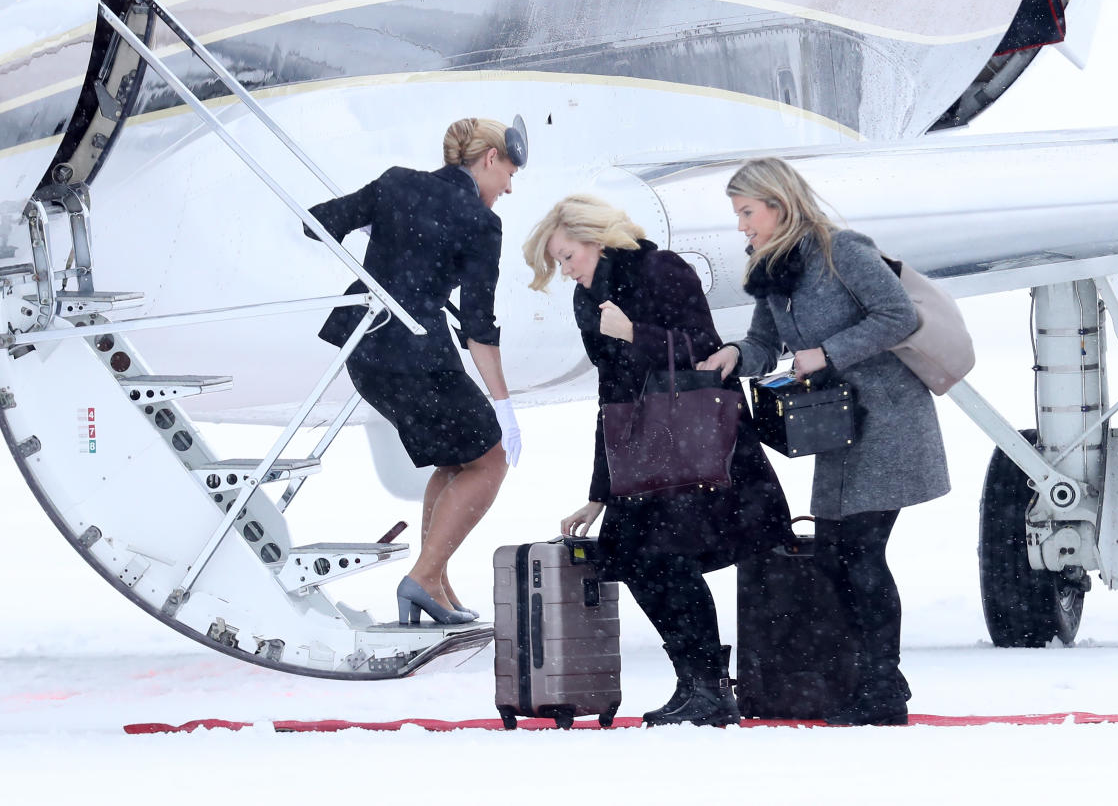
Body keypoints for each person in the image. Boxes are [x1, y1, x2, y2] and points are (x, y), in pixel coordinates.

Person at [698, 157, 950, 726]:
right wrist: (737, 355)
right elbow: (765, 345)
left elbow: (899, 315)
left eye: (746, 212)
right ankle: (879, 677)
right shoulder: (772, 270)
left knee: (860, 554)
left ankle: (883, 690)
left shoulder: (842, 252)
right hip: (837, 428)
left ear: (778, 206)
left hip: (888, 419)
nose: (741, 225)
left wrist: (828, 353)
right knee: (837, 557)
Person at [523, 194, 793, 727]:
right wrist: (599, 491)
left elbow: (705, 350)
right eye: (558, 261)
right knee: (642, 563)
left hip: (696, 438)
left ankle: (711, 690)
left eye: (568, 256)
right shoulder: (588, 301)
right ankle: (696, 682)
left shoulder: (661, 268)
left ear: (596, 240)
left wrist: (634, 334)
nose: (565, 270)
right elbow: (611, 393)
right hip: (642, 449)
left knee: (670, 560)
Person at [306, 117, 526, 626]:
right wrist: (505, 407)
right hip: (418, 359)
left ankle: (437, 583)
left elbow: (316, 222)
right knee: (490, 460)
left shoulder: (396, 182)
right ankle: (422, 579)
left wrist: (380, 227)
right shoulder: (480, 221)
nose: (509, 188)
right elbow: (479, 328)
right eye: (509, 174)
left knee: (455, 463)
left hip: (364, 350)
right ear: (489, 158)